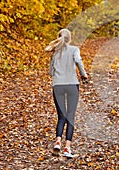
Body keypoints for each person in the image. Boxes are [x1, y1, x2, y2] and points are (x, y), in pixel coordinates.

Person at [45, 28, 88, 159]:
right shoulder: (74, 50)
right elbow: (78, 62)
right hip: (72, 85)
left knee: (61, 116)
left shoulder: (55, 53)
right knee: (70, 117)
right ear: (69, 39)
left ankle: (57, 141)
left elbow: (51, 73)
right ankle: (67, 148)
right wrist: (83, 75)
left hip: (57, 86)